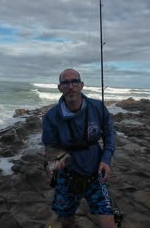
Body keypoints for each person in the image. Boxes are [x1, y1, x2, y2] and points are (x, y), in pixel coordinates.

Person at [42, 68, 117, 228]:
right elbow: (50, 146)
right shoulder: (51, 117)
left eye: (75, 81)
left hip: (96, 175)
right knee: (67, 221)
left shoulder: (97, 107)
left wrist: (106, 159)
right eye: (65, 82)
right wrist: (55, 162)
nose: (71, 86)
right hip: (67, 177)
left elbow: (110, 134)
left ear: (81, 85)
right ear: (59, 87)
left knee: (109, 223)